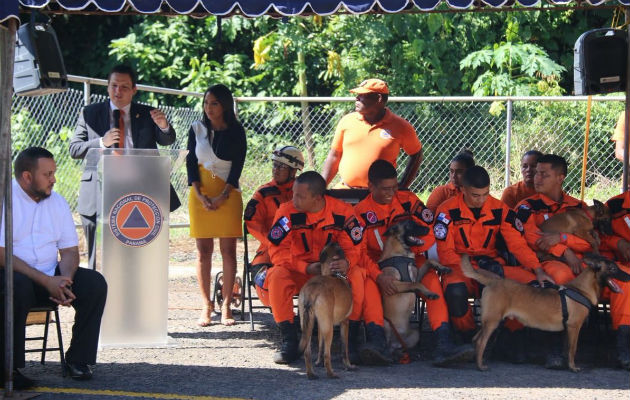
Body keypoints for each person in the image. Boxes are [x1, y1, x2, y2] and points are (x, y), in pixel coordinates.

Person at [0, 147, 108, 388]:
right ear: (27, 177)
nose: (54, 179)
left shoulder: (57, 202)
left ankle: (79, 360)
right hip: (15, 276)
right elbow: (2, 253)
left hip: (52, 278)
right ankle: (9, 368)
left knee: (94, 283)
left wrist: (65, 280)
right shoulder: (5, 199)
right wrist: (46, 280)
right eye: (47, 174)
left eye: (54, 173)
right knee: (16, 285)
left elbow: (69, 250)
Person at [516, 154, 630, 368]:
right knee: (561, 277)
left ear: (560, 177)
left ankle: (622, 348)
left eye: (543, 174)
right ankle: (555, 348)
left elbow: (591, 243)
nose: (535, 177)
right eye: (536, 173)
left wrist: (564, 239)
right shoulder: (526, 207)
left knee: (624, 280)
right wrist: (563, 251)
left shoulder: (578, 206)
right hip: (551, 262)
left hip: (584, 264)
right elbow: (531, 238)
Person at [355, 160, 473, 366]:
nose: (391, 193)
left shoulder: (408, 200)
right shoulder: (360, 213)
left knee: (431, 281)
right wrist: (378, 275)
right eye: (385, 189)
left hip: (412, 258)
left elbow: (430, 229)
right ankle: (377, 342)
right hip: (378, 264)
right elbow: (359, 253)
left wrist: (414, 248)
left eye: (394, 187)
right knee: (368, 286)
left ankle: (442, 343)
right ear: (370, 186)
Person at [69, 64, 180, 270]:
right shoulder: (90, 113)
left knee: (139, 255)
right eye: (114, 86)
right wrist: (102, 142)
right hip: (100, 191)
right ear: (108, 87)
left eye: (124, 87)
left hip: (140, 192)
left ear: (134, 90)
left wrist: (163, 125)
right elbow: (75, 149)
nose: (118, 91)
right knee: (99, 258)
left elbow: (167, 139)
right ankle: (99, 298)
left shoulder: (147, 113)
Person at [435, 166, 548, 359]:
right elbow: (445, 253)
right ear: (462, 189)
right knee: (455, 291)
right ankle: (468, 338)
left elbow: (517, 244)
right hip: (462, 266)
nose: (481, 200)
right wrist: (478, 271)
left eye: (485, 194)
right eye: (475, 195)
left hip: (493, 265)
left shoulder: (499, 209)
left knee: (531, 285)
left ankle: (509, 335)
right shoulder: (447, 210)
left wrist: (536, 268)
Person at [266, 171, 364, 364]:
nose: (294, 199)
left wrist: (347, 263)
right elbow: (277, 252)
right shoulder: (286, 212)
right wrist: (306, 267)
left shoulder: (343, 212)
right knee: (276, 275)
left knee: (358, 274)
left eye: (300, 196)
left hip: (331, 274)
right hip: (300, 271)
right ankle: (290, 341)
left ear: (318, 198)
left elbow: (354, 247)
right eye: (293, 193)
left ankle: (350, 341)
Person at [186, 84, 247, 327]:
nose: (208, 108)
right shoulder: (197, 129)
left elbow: (238, 167)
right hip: (200, 194)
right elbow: (190, 162)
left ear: (225, 105)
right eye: (206, 103)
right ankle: (206, 305)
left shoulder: (236, 131)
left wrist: (223, 195)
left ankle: (226, 305)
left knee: (228, 251)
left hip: (228, 194)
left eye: (214, 103)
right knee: (203, 251)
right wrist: (199, 194)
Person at [321, 78, 422, 189]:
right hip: (346, 190)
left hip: (379, 197)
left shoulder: (400, 126)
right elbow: (334, 155)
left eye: (362, 95)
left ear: (378, 98)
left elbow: (416, 154)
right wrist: (321, 186)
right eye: (357, 94)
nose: (357, 98)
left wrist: (403, 185)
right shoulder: (347, 121)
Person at [244, 145, 304, 305]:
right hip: (269, 251)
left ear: (293, 171)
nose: (275, 170)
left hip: (302, 249)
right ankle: (283, 316)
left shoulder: (306, 192)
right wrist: (273, 243)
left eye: (281, 167)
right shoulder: (263, 194)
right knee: (264, 281)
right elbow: (252, 223)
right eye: (274, 165)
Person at [601, 192, 630, 369]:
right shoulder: (614, 206)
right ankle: (624, 349)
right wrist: (618, 242)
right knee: (626, 282)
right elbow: (597, 237)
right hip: (620, 265)